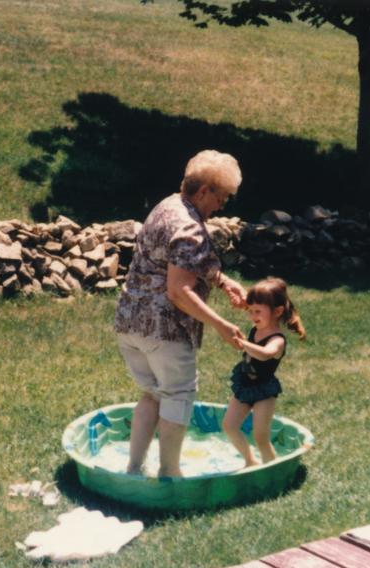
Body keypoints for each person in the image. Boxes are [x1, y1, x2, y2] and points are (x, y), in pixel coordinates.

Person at [114, 150, 248, 478]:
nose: (221, 206)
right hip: (165, 331)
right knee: (178, 395)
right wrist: (220, 324)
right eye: (222, 198)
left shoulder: (167, 205)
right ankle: (170, 473)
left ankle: (134, 468)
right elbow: (178, 292)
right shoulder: (190, 226)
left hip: (130, 323)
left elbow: (181, 259)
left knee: (153, 395)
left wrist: (223, 280)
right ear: (204, 191)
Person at [222, 277, 306, 467]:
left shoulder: (278, 339)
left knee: (260, 436)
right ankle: (250, 461)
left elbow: (266, 354)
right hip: (245, 385)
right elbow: (253, 306)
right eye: (250, 311)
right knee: (229, 426)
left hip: (264, 391)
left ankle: (271, 468)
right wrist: (241, 303)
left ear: (277, 312)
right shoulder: (258, 324)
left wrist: (243, 343)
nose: (252, 315)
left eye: (257, 311)